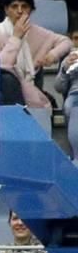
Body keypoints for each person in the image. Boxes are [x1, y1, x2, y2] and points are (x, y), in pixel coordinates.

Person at [0, 0, 71, 110]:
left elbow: (66, 42)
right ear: (6, 10)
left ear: (30, 10)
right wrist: (16, 37)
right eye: (14, 6)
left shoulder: (37, 32)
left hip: (29, 86)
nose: (19, 11)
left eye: (24, 6)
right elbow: (1, 65)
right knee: (8, 78)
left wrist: (53, 55)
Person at [55, 30, 78, 158]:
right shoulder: (67, 60)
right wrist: (65, 70)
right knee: (69, 106)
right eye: (76, 38)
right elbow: (58, 88)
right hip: (75, 94)